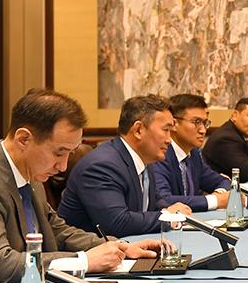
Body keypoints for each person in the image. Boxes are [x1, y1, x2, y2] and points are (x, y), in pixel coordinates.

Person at [0, 89, 160, 283]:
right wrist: (82, 261)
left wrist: (118, 247)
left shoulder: (30, 173)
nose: (63, 166)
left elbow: (58, 232)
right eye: (59, 153)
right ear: (23, 139)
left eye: (70, 153)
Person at [58, 95, 192, 237]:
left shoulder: (143, 159)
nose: (169, 140)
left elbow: (153, 203)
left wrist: (171, 210)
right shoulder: (102, 165)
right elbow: (117, 223)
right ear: (138, 130)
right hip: (88, 248)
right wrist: (167, 217)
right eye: (166, 130)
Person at [150, 94, 230, 212]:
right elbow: (163, 199)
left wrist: (219, 195)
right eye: (196, 122)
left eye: (205, 123)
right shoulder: (160, 153)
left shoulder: (194, 153)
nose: (203, 130)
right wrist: (215, 201)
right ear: (174, 124)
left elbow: (223, 181)